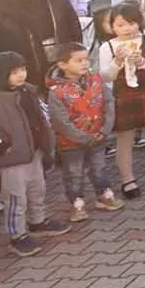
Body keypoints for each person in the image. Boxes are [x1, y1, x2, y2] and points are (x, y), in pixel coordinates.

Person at [0, 50, 68, 257]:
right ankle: (17, 235)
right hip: (12, 160)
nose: (21, 75)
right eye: (14, 71)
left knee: (38, 189)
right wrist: (3, 146)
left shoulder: (30, 92)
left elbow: (44, 116)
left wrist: (47, 141)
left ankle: (38, 221)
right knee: (16, 198)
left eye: (23, 69)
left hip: (34, 152)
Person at [45, 43, 119, 220]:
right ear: (63, 65)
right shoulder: (56, 91)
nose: (85, 64)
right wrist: (82, 137)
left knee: (99, 167)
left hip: (98, 134)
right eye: (78, 61)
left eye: (86, 59)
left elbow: (108, 103)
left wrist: (105, 128)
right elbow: (60, 121)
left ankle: (103, 195)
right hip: (70, 142)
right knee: (73, 173)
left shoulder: (97, 80)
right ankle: (76, 203)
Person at [96, 5, 145, 197]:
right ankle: (128, 180)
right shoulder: (107, 47)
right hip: (122, 95)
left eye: (131, 23)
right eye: (120, 24)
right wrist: (117, 62)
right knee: (124, 139)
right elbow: (106, 76)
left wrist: (142, 62)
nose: (127, 28)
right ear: (111, 27)